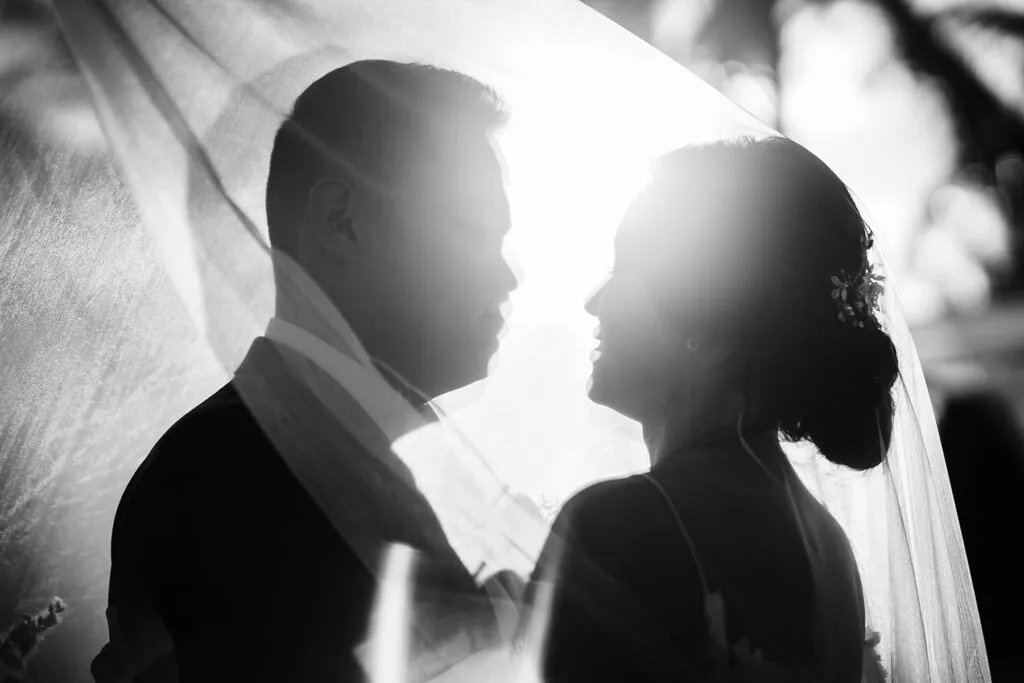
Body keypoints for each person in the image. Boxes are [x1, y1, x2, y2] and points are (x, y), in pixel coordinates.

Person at [91, 59, 518, 682]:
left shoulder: (423, 464)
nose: (507, 276)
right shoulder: (220, 475)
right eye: (475, 231)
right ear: (341, 220)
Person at [527, 137, 898, 682]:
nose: (593, 301)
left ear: (706, 322)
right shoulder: (831, 548)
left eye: (622, 267)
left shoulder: (622, 526)